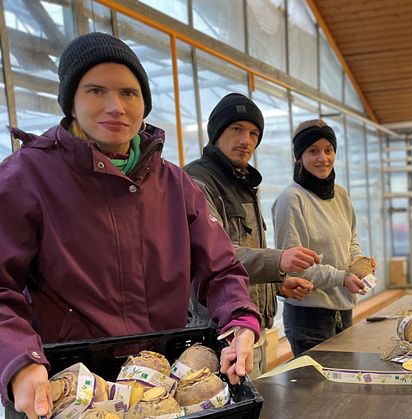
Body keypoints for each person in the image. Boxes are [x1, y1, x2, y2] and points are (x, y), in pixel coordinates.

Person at [0, 32, 261, 418]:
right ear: (70, 101)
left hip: (162, 384)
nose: (115, 106)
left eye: (128, 93)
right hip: (68, 388)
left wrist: (240, 320)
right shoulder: (26, 177)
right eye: (94, 91)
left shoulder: (174, 185)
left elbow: (221, 268)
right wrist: (18, 359)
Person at [184, 92, 320, 378]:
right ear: (217, 132)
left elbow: (245, 256)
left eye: (254, 133)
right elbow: (218, 256)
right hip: (217, 335)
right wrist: (279, 260)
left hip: (251, 329)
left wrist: (278, 285)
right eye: (237, 130)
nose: (246, 140)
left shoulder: (243, 181)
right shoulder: (197, 183)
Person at [272, 119, 371, 356]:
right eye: (313, 151)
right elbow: (293, 268)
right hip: (309, 317)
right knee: (316, 391)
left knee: (345, 384)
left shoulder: (340, 194)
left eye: (328, 150)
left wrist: (359, 264)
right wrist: (341, 278)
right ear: (299, 156)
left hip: (342, 308)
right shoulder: (291, 199)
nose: (323, 158)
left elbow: (351, 239)